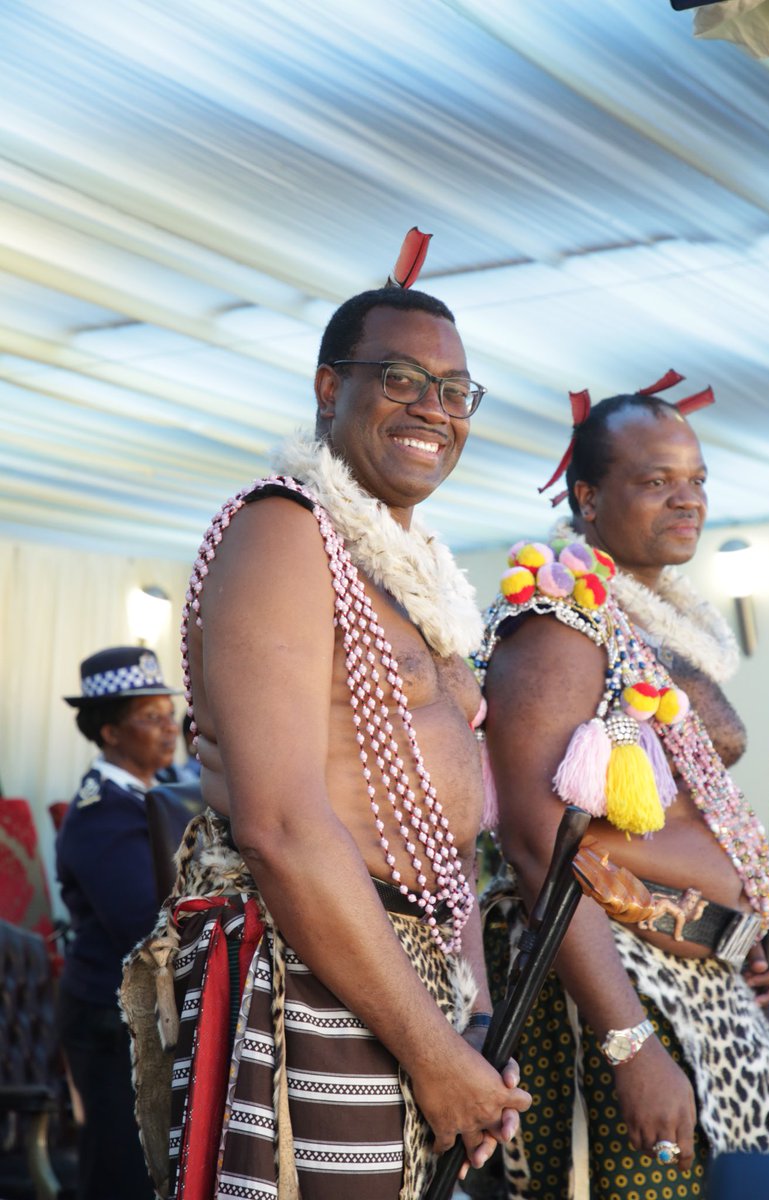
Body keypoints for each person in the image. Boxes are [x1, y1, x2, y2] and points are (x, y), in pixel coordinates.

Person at [124, 284, 531, 1200]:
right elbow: (279, 826)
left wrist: (469, 1016)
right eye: (401, 378)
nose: (433, 408)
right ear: (327, 388)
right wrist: (432, 1052)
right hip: (312, 970)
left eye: (455, 390)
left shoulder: (411, 579)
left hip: (407, 979)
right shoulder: (281, 529)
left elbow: (447, 836)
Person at [473, 383, 769, 1199]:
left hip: (711, 993)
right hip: (615, 998)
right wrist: (631, 1047)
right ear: (586, 497)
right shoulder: (557, 622)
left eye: (696, 479)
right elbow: (535, 841)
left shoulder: (654, 625)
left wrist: (750, 925)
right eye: (657, 481)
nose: (688, 498)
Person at [57, 645, 183, 1200]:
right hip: (109, 1021)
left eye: (170, 714)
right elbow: (144, 924)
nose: (170, 728)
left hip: (148, 1011)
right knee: (121, 1169)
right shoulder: (102, 813)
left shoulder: (164, 786)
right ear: (110, 732)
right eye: (151, 717)